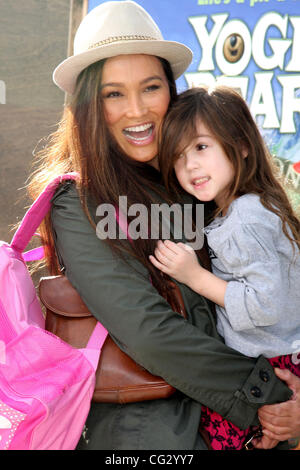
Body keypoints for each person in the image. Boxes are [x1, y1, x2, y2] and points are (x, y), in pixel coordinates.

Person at [28, 1, 300, 450]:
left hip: (228, 426)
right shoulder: (76, 200)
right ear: (88, 106)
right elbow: (148, 331)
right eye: (113, 94)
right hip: (147, 434)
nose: (136, 110)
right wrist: (269, 395)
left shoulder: (194, 184)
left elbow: (269, 289)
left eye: (150, 87)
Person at [150, 85, 300, 449]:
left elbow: (266, 305)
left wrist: (193, 276)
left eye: (201, 147)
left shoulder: (245, 219)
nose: (190, 166)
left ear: (242, 145)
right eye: (178, 156)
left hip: (267, 366)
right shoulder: (252, 208)